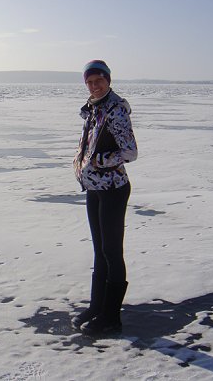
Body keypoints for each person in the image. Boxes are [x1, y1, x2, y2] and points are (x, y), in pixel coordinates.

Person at [72, 60, 138, 336]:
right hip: (95, 187)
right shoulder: (93, 109)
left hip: (113, 188)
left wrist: (98, 161)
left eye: (98, 80)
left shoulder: (115, 110)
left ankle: (111, 316)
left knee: (111, 252)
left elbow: (130, 152)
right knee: (99, 250)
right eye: (89, 82)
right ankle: (96, 306)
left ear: (108, 80)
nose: (94, 86)